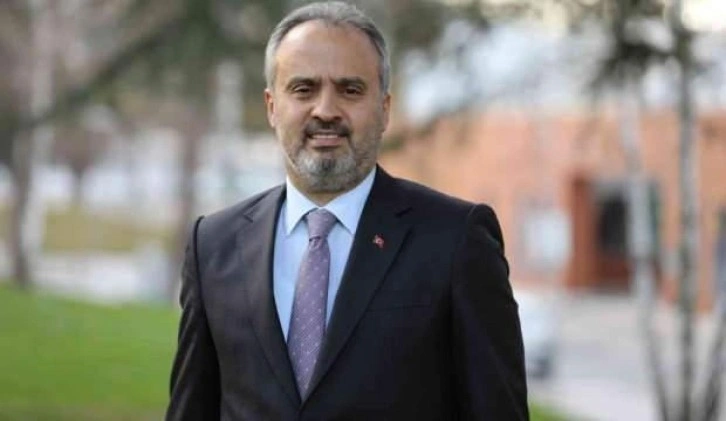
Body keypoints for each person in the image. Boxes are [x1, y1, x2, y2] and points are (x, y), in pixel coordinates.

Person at [166, 2, 528, 420]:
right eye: (303, 89)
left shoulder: (456, 240)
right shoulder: (213, 245)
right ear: (271, 106)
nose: (325, 110)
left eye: (350, 90)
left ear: (385, 108)